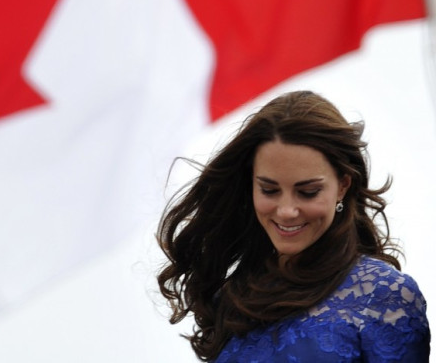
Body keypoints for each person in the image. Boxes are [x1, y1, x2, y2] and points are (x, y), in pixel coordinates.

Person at [156, 90, 430, 361]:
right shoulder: (234, 297)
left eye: (308, 192)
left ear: (343, 186)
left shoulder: (385, 295)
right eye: (269, 190)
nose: (286, 211)